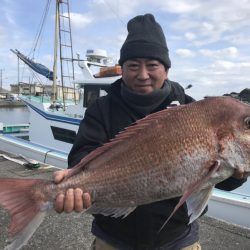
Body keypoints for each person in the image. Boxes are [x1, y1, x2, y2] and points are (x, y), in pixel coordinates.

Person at [53, 14, 247, 250]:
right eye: (133, 65)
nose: (143, 74)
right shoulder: (101, 109)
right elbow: (80, 157)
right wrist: (72, 187)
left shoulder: (191, 110)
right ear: (122, 69)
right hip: (113, 238)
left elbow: (222, 183)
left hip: (177, 240)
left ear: (165, 69)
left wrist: (240, 174)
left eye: (152, 65)